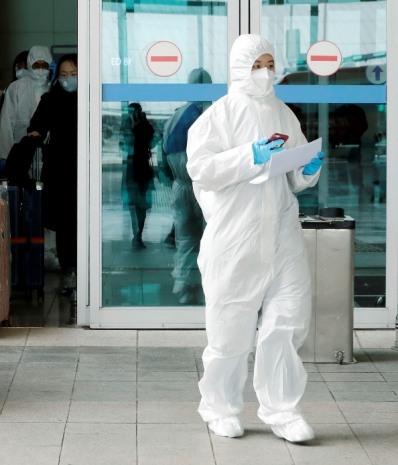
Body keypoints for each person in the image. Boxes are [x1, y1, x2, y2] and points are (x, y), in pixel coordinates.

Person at [186, 34, 325, 443]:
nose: (266, 72)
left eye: (270, 63)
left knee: (288, 319)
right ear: (239, 68)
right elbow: (202, 169)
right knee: (231, 326)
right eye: (257, 64)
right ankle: (220, 406)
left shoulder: (284, 113)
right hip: (236, 234)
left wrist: (308, 166)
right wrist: (251, 155)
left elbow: (296, 178)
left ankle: (282, 409)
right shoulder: (218, 115)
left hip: (282, 230)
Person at [27, 53, 78, 292]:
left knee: (83, 220)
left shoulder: (91, 97)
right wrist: (35, 134)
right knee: (66, 222)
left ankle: (87, 268)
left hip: (85, 167)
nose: (69, 80)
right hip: (60, 167)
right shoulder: (51, 99)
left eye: (74, 75)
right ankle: (70, 270)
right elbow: (36, 125)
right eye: (65, 75)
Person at [162, 68, 212, 304]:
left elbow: (163, 154)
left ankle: (182, 284)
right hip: (205, 186)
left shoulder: (174, 116)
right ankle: (209, 286)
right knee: (212, 237)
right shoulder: (210, 112)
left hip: (180, 186)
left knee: (185, 238)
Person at [0, 45, 53, 176]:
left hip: (46, 153)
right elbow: (6, 122)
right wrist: (5, 156)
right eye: (36, 65)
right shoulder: (16, 88)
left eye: (44, 65)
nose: (40, 69)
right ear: (29, 64)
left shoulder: (53, 88)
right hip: (19, 150)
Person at [120, 102, 155, 249]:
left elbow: (150, 142)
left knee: (138, 204)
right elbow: (124, 144)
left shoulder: (144, 126)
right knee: (135, 204)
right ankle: (137, 234)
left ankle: (138, 234)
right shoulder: (131, 125)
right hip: (136, 166)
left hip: (138, 166)